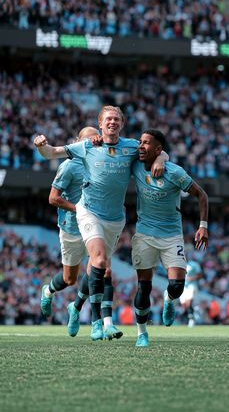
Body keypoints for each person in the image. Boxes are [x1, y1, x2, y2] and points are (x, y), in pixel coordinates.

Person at [34, 106, 168, 341]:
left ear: (122, 123)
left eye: (117, 118)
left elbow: (154, 150)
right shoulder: (84, 149)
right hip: (81, 217)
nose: (113, 122)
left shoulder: (129, 146)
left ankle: (76, 308)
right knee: (90, 269)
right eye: (108, 119)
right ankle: (98, 321)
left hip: (114, 218)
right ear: (100, 123)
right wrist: (40, 144)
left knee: (94, 270)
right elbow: (51, 153)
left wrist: (163, 158)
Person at [40, 126, 122, 340]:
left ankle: (104, 323)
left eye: (96, 138)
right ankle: (51, 292)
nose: (93, 142)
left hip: (96, 223)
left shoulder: (103, 162)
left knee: (102, 269)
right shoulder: (69, 166)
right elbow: (53, 198)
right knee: (70, 279)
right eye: (87, 139)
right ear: (78, 142)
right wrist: (81, 210)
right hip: (72, 227)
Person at [131, 129, 208, 347]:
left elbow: (202, 195)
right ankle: (141, 334)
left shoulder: (174, 172)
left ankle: (169, 299)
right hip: (144, 233)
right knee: (143, 287)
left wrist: (203, 226)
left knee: (177, 286)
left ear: (158, 149)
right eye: (140, 142)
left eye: (147, 143)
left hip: (172, 235)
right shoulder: (135, 163)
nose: (141, 146)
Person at [179, 260, 203, 327]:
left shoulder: (194, 264)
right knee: (184, 305)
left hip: (191, 285)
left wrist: (192, 278)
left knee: (189, 301)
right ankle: (194, 312)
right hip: (182, 286)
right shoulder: (178, 263)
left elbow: (200, 275)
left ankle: (191, 319)